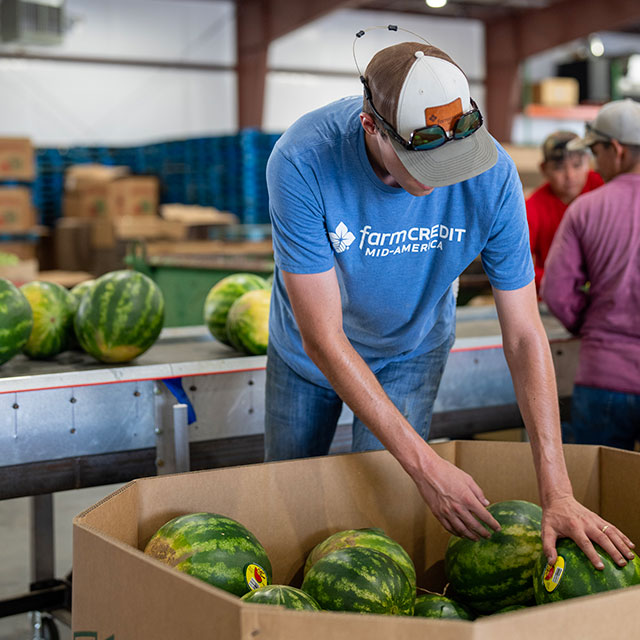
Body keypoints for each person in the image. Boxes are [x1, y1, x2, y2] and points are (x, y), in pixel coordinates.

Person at [265, 32, 635, 570]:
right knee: (285, 498)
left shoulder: (493, 175)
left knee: (378, 518)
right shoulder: (302, 162)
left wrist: (557, 489)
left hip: (412, 350)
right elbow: (322, 336)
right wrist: (427, 464)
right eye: (430, 165)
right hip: (307, 358)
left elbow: (526, 335)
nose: (451, 179)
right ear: (374, 128)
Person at [541, 98, 640, 450]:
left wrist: (591, 325)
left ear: (617, 150)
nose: (596, 163)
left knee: (597, 498)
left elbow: (555, 290)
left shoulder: (587, 208)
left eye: (596, 152)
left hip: (605, 376)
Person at [526, 131, 603, 291]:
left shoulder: (603, 187)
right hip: (556, 294)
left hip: (604, 285)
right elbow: (516, 264)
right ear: (544, 169)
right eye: (559, 168)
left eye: (577, 165)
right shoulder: (532, 207)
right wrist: (560, 282)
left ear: (588, 162)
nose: (570, 176)